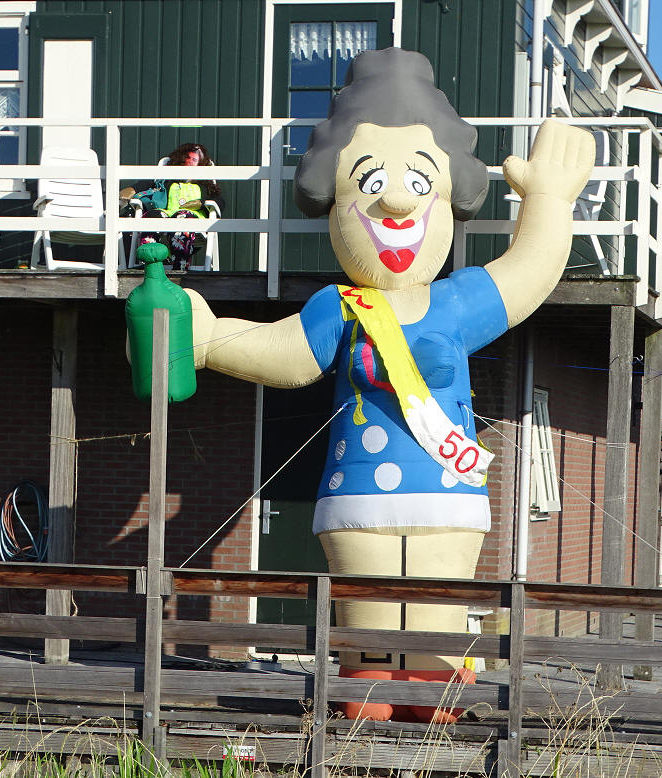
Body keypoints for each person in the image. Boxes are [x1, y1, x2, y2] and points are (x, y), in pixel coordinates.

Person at [182, 48, 594, 722]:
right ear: (338, 198)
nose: (396, 197)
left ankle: (433, 732)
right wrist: (205, 340)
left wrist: (547, 199)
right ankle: (367, 734)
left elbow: (530, 267)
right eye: (368, 179)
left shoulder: (456, 303)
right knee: (369, 658)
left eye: (417, 180)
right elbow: (279, 352)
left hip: (445, 499)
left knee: (434, 651)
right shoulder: (336, 309)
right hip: (357, 503)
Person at [139, 142, 225, 270]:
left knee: (182, 218)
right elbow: (146, 184)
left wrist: (201, 203)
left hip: (193, 217)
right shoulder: (168, 181)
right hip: (168, 214)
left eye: (195, 159)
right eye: (188, 158)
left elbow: (219, 201)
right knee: (153, 215)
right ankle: (151, 264)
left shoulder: (204, 185)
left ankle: (179, 267)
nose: (190, 162)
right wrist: (132, 189)